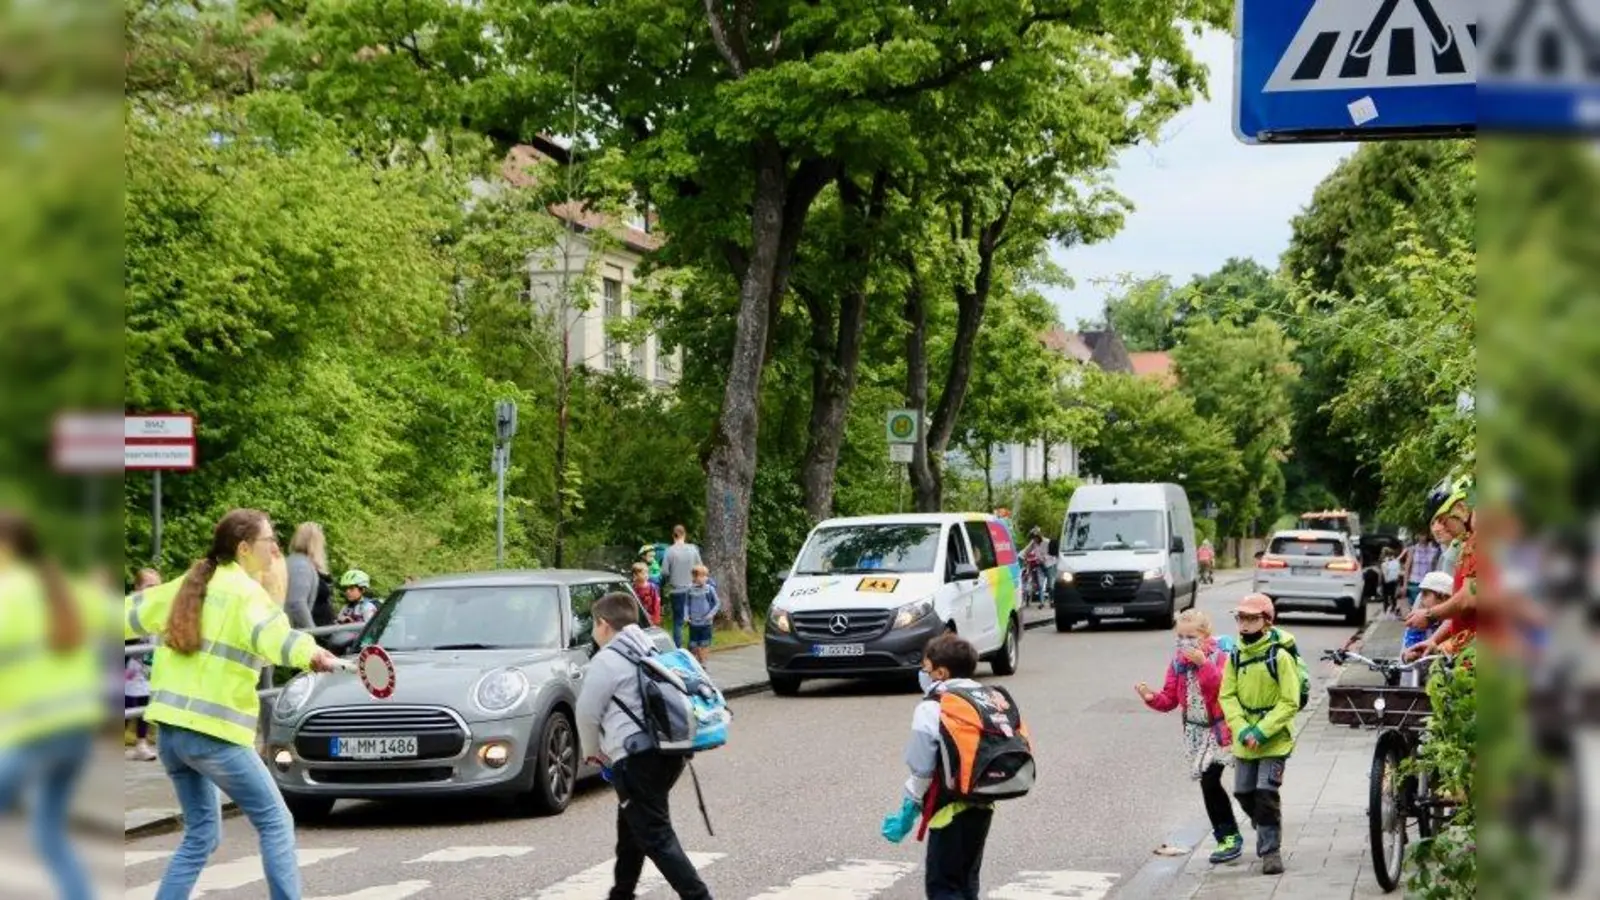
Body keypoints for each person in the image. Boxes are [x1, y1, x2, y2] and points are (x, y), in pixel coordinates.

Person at [125, 508, 340, 900]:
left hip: (171, 737)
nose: (275, 548)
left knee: (201, 835)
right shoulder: (245, 595)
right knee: (276, 821)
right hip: (213, 736)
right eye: (268, 540)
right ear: (244, 548)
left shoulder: (187, 584)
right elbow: (279, 638)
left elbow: (125, 615)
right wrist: (315, 654)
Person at [575, 592, 713, 900]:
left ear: (603, 623)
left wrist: (591, 751)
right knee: (631, 828)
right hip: (667, 752)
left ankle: (699, 897)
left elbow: (586, 713)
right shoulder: (648, 648)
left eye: (594, 626)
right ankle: (621, 893)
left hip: (635, 758)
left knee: (655, 835)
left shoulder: (607, 660)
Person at [0, 510, 106, 900]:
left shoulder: (8, 591)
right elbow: (118, 617)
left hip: (33, 734)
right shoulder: (65, 586)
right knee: (48, 834)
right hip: (75, 735)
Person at [883, 633, 995, 899]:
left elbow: (921, 767)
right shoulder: (982, 697)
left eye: (926, 669)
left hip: (948, 807)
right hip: (984, 800)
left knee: (943, 885)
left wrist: (909, 807)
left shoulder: (934, 706)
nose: (923, 674)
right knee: (967, 881)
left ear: (941, 673)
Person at [1136, 609, 1241, 864]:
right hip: (1195, 732)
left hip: (1219, 728)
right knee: (1208, 783)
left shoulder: (1219, 657)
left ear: (1205, 636)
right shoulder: (1177, 663)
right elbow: (1170, 699)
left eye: (1191, 636)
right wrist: (1151, 697)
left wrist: (1202, 664)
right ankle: (1226, 836)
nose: (1185, 642)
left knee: (1210, 780)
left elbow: (1220, 687)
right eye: (1180, 637)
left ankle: (1230, 836)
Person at [1218, 593, 1301, 876]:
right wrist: (1242, 729)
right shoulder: (1236, 656)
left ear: (1267, 622)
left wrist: (1262, 731)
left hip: (1274, 739)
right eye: (1241, 617)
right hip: (1245, 740)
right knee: (1243, 792)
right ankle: (1267, 823)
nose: (1245, 624)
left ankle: (1270, 851)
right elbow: (1226, 696)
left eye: (1252, 618)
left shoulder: (1279, 656)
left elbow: (1289, 701)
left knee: (1265, 794)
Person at [125, 567, 163, 761]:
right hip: (127, 670)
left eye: (158, 586)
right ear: (137, 587)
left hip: (147, 669)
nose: (154, 590)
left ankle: (141, 744)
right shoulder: (129, 608)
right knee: (125, 705)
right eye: (149, 586)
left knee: (143, 707)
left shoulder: (160, 609)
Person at [662, 526, 703, 649]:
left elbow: (664, 572)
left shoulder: (669, 551)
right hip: (693, 589)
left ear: (673, 536)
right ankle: (693, 646)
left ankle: (678, 648)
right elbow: (700, 567)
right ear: (684, 535)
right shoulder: (693, 549)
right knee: (693, 620)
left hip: (677, 590)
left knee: (678, 622)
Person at [285, 522, 330, 630]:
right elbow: (296, 603)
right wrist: (312, 631)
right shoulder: (301, 566)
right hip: (304, 633)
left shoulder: (297, 562)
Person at [1403, 571, 1454, 652]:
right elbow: (1408, 647)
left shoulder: (1455, 623)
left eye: (1425, 594)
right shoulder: (1419, 622)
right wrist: (1408, 655)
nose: (1421, 599)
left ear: (1442, 597)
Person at [684, 565, 720, 666]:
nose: (704, 578)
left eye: (705, 576)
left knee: (705, 643)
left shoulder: (710, 589)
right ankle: (696, 661)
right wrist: (686, 616)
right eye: (701, 576)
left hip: (706, 622)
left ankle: (703, 662)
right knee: (694, 645)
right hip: (694, 622)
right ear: (694, 577)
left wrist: (711, 614)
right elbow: (686, 604)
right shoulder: (689, 589)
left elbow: (717, 603)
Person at [631, 562, 663, 627]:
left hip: (651, 618)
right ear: (635, 575)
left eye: (647, 573)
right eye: (643, 573)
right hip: (637, 618)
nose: (646, 575)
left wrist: (655, 619)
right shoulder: (633, 588)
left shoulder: (652, 587)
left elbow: (656, 603)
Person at [1379, 549, 1402, 617]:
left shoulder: (1384, 561)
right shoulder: (1394, 561)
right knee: (1393, 596)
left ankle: (1386, 610)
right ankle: (1393, 609)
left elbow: (1381, 573)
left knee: (1385, 596)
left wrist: (1379, 583)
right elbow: (1397, 571)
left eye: (1382, 553)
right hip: (1393, 580)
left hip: (1385, 581)